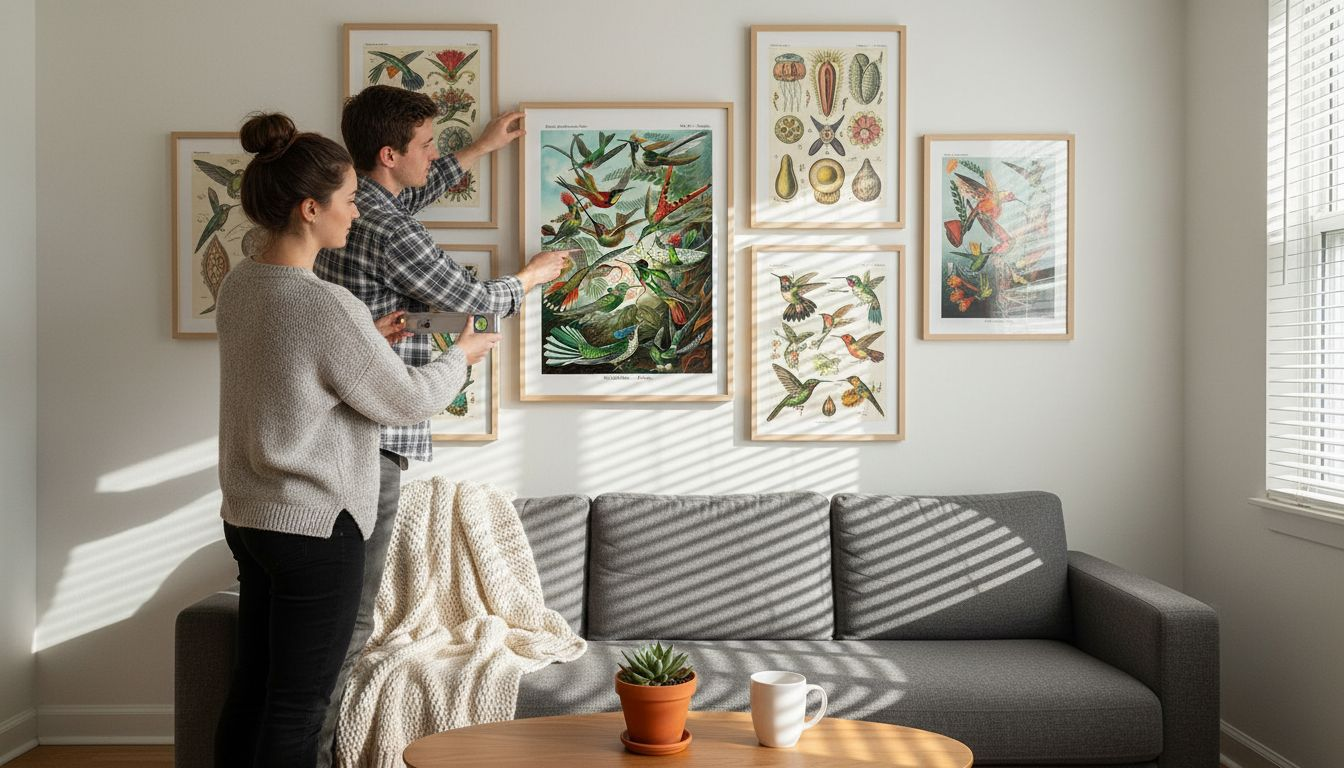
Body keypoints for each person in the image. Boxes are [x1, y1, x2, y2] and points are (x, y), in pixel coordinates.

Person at [213, 112, 500, 768]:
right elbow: (406, 400)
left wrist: (370, 334)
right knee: (299, 701)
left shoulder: (241, 286)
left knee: (254, 688)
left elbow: (294, 374)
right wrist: (463, 353)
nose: (355, 214)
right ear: (311, 209)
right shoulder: (324, 304)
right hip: (316, 529)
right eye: (347, 202)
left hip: (252, 517)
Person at [311, 85, 566, 766]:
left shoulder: (362, 206)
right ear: (390, 153)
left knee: (339, 616)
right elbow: (475, 299)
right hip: (374, 431)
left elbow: (407, 201)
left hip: (339, 427)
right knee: (353, 617)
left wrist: (480, 148)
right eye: (427, 144)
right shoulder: (389, 230)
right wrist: (533, 277)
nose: (435, 154)